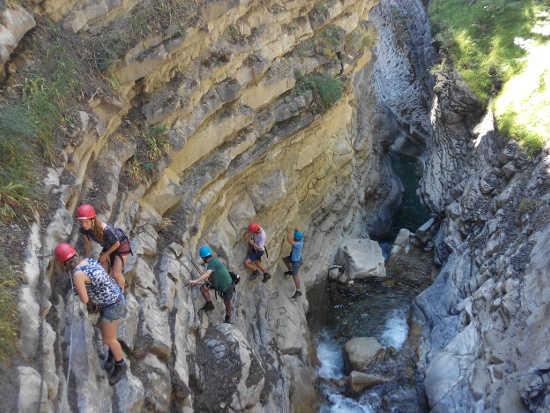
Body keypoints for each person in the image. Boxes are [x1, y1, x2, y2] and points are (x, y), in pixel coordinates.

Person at [54, 243, 128, 386]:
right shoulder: (88, 261)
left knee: (108, 339)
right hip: (116, 297)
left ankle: (121, 365)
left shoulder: (77, 274)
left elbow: (85, 299)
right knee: (110, 336)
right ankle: (113, 355)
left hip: (111, 305)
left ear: (63, 262)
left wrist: (79, 286)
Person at [76, 204, 131, 291]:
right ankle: (105, 292)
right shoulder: (84, 229)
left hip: (121, 244)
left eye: (86, 222)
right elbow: (88, 245)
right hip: (108, 246)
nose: (84, 225)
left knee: (116, 273)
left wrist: (105, 255)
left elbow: (117, 244)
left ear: (92, 220)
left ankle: (121, 294)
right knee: (102, 272)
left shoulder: (106, 229)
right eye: (82, 222)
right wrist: (85, 261)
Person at [189, 246, 235, 324]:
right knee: (203, 288)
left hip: (227, 286)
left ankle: (228, 318)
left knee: (227, 304)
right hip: (218, 283)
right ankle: (209, 304)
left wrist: (195, 280)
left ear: (203, 257)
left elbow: (207, 274)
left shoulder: (212, 264)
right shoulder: (214, 261)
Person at [282, 228, 304, 299]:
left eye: (295, 237)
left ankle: (298, 291)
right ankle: (291, 271)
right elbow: (295, 238)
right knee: (285, 260)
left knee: (295, 277)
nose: (294, 238)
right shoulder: (300, 240)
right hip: (294, 257)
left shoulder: (298, 244)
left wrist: (289, 232)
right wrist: (296, 231)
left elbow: (289, 241)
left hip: (296, 261)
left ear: (297, 239)